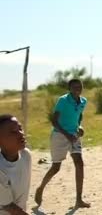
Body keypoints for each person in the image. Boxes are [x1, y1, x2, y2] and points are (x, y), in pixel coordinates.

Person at [35, 79, 90, 208]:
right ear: (69, 89)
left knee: (79, 162)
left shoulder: (83, 101)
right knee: (56, 167)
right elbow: (54, 121)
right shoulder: (63, 100)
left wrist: (79, 127)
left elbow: (79, 116)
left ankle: (78, 200)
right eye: (74, 87)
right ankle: (40, 188)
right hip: (59, 135)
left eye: (80, 86)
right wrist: (67, 135)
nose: (78, 89)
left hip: (74, 135)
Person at [0, 115, 31, 215]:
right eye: (13, 132)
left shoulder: (26, 155)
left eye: (20, 128)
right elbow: (9, 206)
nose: (21, 134)